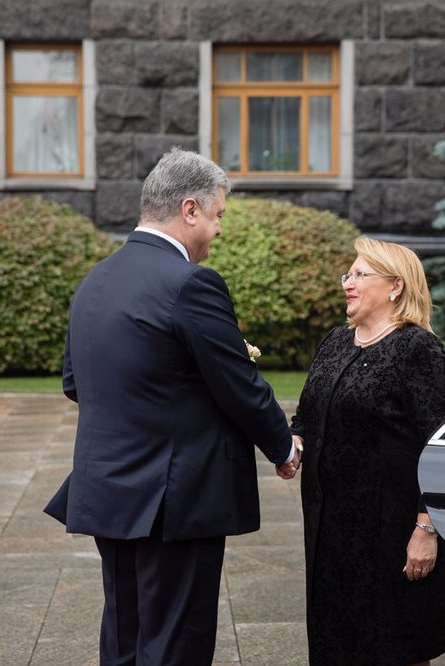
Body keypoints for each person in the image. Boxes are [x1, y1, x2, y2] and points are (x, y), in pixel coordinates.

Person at [43, 147, 298, 666]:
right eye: (218, 215)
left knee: (124, 640)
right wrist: (283, 445)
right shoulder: (191, 283)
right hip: (175, 499)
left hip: (109, 490)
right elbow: (238, 384)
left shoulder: (95, 280)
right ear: (189, 209)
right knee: (175, 646)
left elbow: (76, 383)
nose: (218, 229)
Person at [290, 236, 445, 665]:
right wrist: (294, 441)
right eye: (347, 275)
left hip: (393, 535)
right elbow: (307, 416)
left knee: (393, 649)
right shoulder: (336, 341)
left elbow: (443, 447)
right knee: (335, 646)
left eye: (360, 274)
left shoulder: (418, 350)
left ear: (395, 286)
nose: (348, 283)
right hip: (331, 533)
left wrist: (427, 529)